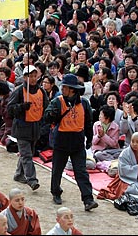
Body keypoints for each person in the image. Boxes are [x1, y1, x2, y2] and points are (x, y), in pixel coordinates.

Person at [43, 74, 98, 211]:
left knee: (81, 172)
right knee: (57, 170)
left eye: (65, 87)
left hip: (78, 141)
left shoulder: (84, 103)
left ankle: (88, 199)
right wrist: (51, 114)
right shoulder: (57, 101)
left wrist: (89, 139)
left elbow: (88, 123)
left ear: (72, 89)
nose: (62, 89)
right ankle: (56, 192)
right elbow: (47, 117)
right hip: (61, 140)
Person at [8, 65, 48, 190]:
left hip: (35, 127)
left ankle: (19, 174)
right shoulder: (19, 91)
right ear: (25, 77)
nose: (33, 79)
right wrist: (21, 107)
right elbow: (9, 109)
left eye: (34, 76)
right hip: (21, 127)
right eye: (30, 76)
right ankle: (32, 179)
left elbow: (46, 107)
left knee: (27, 153)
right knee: (26, 155)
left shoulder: (41, 92)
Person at [97, 132, 138, 201]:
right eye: (132, 141)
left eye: (137, 142)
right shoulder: (125, 153)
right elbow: (123, 170)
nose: (134, 144)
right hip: (126, 178)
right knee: (131, 189)